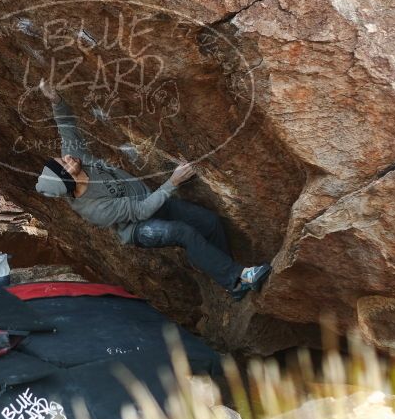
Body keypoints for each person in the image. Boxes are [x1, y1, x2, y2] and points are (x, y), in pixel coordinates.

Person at [34, 80, 271, 300]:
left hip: (151, 200)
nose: (66, 157)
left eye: (61, 158)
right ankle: (240, 277)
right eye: (65, 163)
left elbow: (66, 126)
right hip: (139, 227)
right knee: (182, 232)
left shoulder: (77, 158)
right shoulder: (94, 209)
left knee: (209, 222)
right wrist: (173, 181)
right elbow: (141, 211)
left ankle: (231, 280)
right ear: (69, 179)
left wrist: (55, 100)